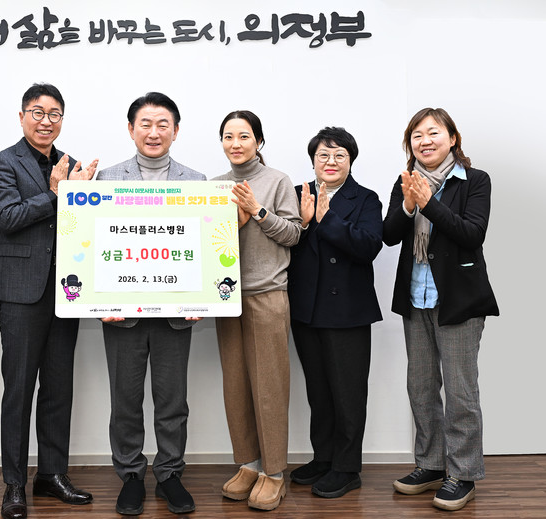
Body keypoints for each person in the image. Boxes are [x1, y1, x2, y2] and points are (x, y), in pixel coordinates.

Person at [0, 83, 98, 519]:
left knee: (58, 387)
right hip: (20, 292)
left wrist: (86, 195)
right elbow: (8, 218)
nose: (45, 121)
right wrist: (57, 194)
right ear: (21, 117)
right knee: (18, 389)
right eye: (37, 112)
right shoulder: (2, 162)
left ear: (62, 120)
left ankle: (52, 474)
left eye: (54, 114)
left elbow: (84, 228)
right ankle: (14, 483)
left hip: (66, 291)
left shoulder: (71, 164)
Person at [384, 108, 499, 511]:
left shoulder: (475, 180)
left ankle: (462, 473)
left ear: (452, 138)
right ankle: (431, 465)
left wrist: (428, 203)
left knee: (460, 392)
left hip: (458, 300)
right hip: (415, 298)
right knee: (420, 387)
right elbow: (388, 236)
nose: (425, 141)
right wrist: (408, 205)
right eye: (417, 135)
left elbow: (472, 234)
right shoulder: (405, 181)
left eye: (433, 133)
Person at [96, 92, 205, 516]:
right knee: (124, 399)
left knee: (172, 400)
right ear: (131, 129)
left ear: (176, 131)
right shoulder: (106, 179)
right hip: (121, 313)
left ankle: (170, 473)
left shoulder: (196, 182)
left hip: (176, 314)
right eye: (145, 123)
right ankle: (130, 475)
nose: (154, 132)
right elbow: (92, 241)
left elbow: (204, 246)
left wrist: (202, 296)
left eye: (163, 124)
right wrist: (97, 300)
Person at [213, 110, 303, 511]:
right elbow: (205, 239)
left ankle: (275, 472)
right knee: (235, 385)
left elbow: (294, 234)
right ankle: (248, 464)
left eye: (244, 136)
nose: (236, 143)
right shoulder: (214, 186)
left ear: (259, 141)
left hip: (267, 295)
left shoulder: (277, 181)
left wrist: (258, 210)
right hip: (225, 297)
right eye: (228, 136)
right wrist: (232, 222)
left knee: (270, 386)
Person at [287, 127, 383, 498]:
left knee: (348, 393)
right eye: (323, 155)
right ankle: (324, 457)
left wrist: (327, 219)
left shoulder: (366, 199)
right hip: (306, 309)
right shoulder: (298, 194)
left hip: (347, 311)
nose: (331, 162)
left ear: (350, 161)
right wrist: (305, 221)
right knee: (319, 391)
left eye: (339, 155)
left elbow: (369, 246)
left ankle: (347, 468)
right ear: (313, 161)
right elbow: (285, 241)